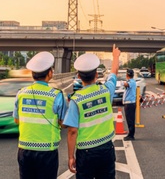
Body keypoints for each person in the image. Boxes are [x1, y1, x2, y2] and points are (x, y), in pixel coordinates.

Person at [63, 44, 121, 179]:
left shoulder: (76, 100)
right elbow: (114, 72)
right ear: (96, 74)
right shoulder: (107, 91)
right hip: (106, 148)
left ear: (78, 76)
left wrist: (71, 156)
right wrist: (115, 56)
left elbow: (72, 131)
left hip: (86, 153)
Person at [13, 51, 67, 179]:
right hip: (47, 151)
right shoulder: (56, 95)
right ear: (49, 73)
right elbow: (63, 123)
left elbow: (16, 120)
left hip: (24, 150)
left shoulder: (21, 93)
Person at [122, 69, 137, 141]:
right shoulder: (130, 81)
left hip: (130, 103)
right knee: (129, 120)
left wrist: (121, 82)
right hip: (129, 103)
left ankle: (131, 135)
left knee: (130, 120)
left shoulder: (131, 82)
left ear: (127, 75)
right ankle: (130, 134)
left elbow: (126, 85)